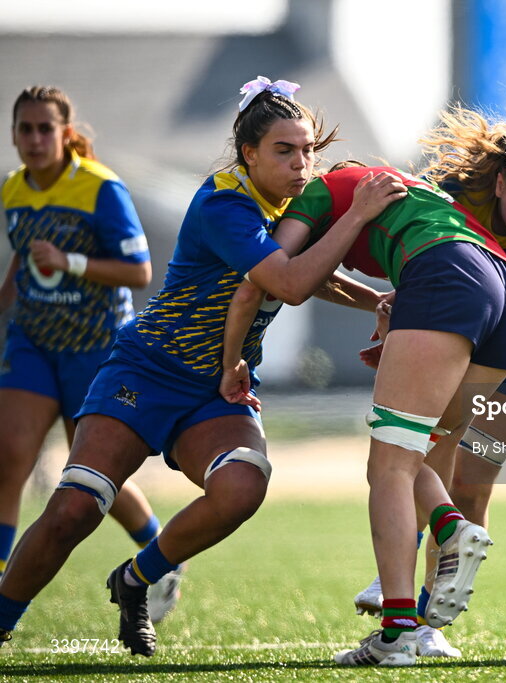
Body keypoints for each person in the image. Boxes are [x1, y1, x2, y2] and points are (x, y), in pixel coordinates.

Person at [0, 76, 407, 657]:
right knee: (74, 507)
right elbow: (290, 282)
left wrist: (375, 300)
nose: (302, 164)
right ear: (249, 153)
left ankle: (135, 579)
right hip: (147, 370)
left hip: (219, 384)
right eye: (284, 151)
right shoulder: (224, 203)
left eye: (309, 151)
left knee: (242, 485)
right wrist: (357, 213)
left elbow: (299, 271)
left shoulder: (288, 204)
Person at [247, 158, 506, 667]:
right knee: (417, 450)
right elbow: (322, 275)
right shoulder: (411, 188)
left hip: (445, 277)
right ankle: (447, 533)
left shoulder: (321, 191)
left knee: (388, 468)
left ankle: (400, 628)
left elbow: (283, 277)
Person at [348, 98, 506, 659]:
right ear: (501, 184)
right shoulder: (456, 196)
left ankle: (426, 617)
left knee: (464, 483)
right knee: (413, 453)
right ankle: (404, 590)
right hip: (459, 326)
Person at [0, 85, 181, 623]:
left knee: (91, 479)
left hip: (97, 348)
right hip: (32, 342)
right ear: (13, 135)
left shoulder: (100, 188)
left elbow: (139, 272)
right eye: (24, 129)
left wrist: (70, 262)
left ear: (64, 133)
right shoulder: (13, 189)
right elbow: (23, 261)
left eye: (43, 128)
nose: (34, 139)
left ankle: (159, 555)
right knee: (8, 455)